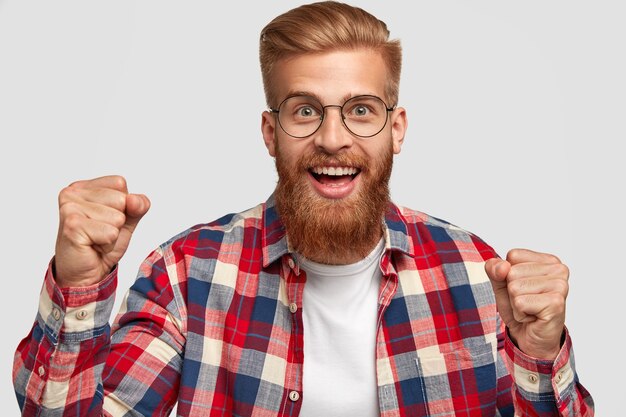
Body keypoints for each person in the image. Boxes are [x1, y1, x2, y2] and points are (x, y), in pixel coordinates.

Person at [13, 2, 594, 416]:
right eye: (305, 110)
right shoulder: (187, 274)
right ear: (271, 132)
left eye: (361, 110)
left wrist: (538, 355)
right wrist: (79, 285)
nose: (334, 139)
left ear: (397, 129)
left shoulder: (475, 274)